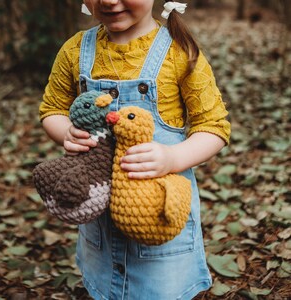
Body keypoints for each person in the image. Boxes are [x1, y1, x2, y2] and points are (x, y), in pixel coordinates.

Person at [39, 0, 231, 299]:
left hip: (159, 221)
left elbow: (214, 125)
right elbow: (52, 108)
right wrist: (66, 132)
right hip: (99, 222)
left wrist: (172, 157)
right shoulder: (75, 50)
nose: (108, 0)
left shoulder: (179, 51)